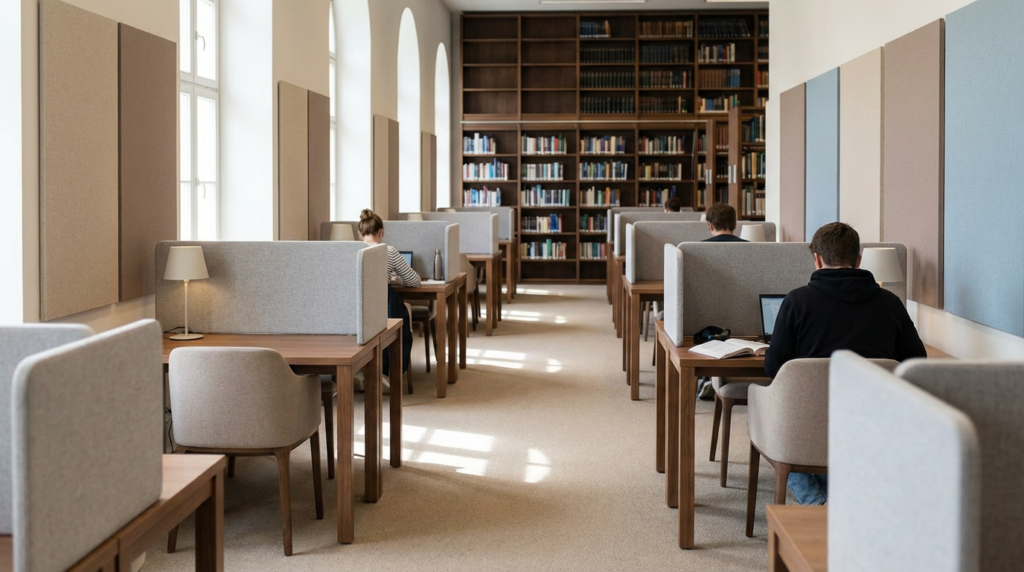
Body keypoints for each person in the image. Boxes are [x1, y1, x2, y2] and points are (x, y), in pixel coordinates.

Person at [764, 222, 927, 505]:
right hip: (871, 424)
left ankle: (816, 502)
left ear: (816, 259)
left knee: (783, 434)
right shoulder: (890, 304)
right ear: (859, 259)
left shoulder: (796, 301)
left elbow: (774, 368)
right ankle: (842, 495)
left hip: (806, 425)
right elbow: (916, 363)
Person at [358, 209, 417, 391]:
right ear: (381, 232)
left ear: (360, 234)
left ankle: (360, 370)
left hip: (356, 311)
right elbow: (414, 280)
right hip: (383, 310)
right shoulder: (389, 251)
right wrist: (392, 277)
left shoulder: (354, 251)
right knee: (401, 311)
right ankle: (387, 371)